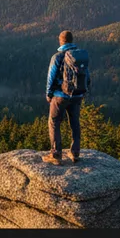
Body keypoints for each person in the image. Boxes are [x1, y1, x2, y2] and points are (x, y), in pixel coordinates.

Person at [44, 30, 91, 165]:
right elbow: (87, 76)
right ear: (71, 40)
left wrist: (49, 94)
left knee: (54, 122)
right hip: (77, 95)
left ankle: (56, 155)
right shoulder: (79, 57)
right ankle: (75, 153)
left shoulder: (57, 57)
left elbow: (51, 77)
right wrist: (83, 92)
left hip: (60, 96)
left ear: (61, 41)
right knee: (75, 122)